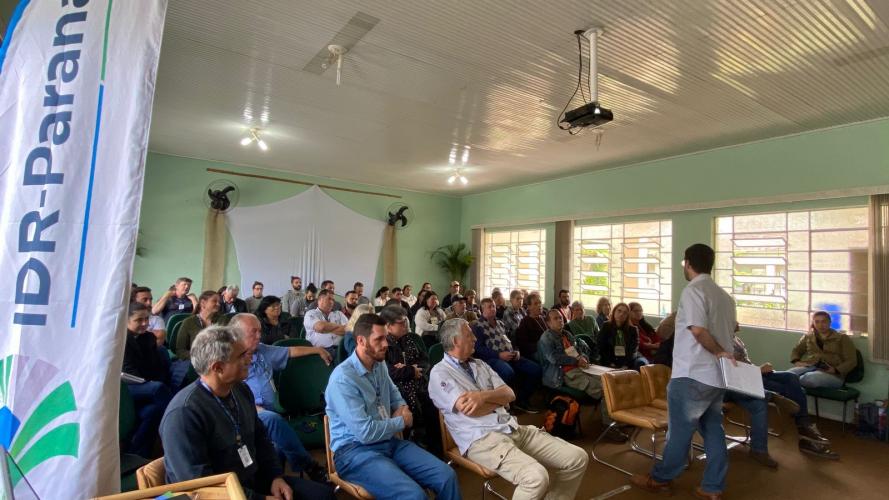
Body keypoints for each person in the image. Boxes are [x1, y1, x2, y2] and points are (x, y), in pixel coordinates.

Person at [160, 326, 335, 499]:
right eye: (242, 356)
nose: (250, 359)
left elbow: (261, 439)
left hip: (251, 481)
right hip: (220, 495)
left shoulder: (240, 390)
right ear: (218, 368)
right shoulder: (183, 414)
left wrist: (275, 477)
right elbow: (201, 487)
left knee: (323, 496)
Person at [430, 318, 589, 500]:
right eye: (469, 334)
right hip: (482, 440)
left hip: (512, 428)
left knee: (578, 458)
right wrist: (498, 400)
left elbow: (510, 394)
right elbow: (472, 410)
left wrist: (482, 397)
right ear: (455, 341)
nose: (475, 338)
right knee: (536, 478)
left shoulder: (480, 364)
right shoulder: (440, 373)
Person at [632, 244, 737, 500]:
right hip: (716, 378)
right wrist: (722, 352)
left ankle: (660, 479)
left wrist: (719, 351)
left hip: (692, 374)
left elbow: (698, 330)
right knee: (713, 429)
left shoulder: (693, 291)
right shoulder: (725, 297)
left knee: (679, 431)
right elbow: (733, 328)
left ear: (688, 263)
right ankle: (713, 487)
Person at [325, 313, 460, 500]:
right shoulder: (343, 379)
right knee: (414, 495)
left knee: (447, 476)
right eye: (379, 339)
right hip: (354, 452)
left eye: (385, 337)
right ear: (361, 341)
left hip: (387, 441)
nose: (386, 344)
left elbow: (396, 396)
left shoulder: (378, 365)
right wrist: (400, 421)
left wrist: (402, 408)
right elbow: (365, 432)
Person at [230, 313, 332, 481]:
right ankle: (309, 466)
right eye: (253, 331)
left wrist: (317, 349)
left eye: (260, 331)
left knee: (276, 446)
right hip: (246, 413)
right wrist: (253, 408)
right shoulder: (230, 362)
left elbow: (290, 351)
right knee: (272, 420)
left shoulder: (261, 350)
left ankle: (278, 482)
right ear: (237, 334)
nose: (259, 335)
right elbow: (230, 397)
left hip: (270, 413)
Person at [729, 334, 838, 461]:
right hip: (744, 380)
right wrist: (758, 370)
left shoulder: (736, 338)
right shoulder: (722, 341)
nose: (737, 324)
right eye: (734, 322)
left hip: (755, 374)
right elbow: (731, 372)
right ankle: (804, 430)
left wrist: (760, 369)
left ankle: (803, 423)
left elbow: (746, 363)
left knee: (791, 377)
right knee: (790, 389)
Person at [379, 306, 442, 455]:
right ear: (388, 326)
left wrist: (411, 369)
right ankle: (415, 445)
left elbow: (425, 360)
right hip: (397, 388)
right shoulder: (383, 344)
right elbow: (387, 371)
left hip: (420, 383)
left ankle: (436, 450)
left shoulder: (411, 339)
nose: (406, 325)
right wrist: (410, 370)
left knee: (434, 404)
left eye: (406, 321)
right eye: (401, 323)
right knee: (410, 404)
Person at [472, 298, 541, 412]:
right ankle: (505, 404)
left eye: (494, 306)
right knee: (507, 372)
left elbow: (510, 340)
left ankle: (521, 400)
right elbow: (479, 349)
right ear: (482, 309)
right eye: (489, 307)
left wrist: (516, 350)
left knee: (536, 369)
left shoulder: (500, 323)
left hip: (510, 355)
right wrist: (499, 355)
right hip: (492, 358)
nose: (493, 308)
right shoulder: (478, 326)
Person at [123, 302, 173, 457]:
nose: (145, 323)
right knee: (158, 389)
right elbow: (128, 372)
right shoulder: (121, 340)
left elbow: (155, 367)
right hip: (127, 386)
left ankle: (138, 454)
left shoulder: (148, 338)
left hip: (146, 385)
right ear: (126, 320)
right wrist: (149, 384)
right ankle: (176, 422)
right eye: (139, 320)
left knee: (152, 411)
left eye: (146, 319)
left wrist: (150, 382)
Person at [788, 311, 857, 389]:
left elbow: (851, 361)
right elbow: (796, 350)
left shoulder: (842, 338)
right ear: (813, 323)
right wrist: (796, 361)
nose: (820, 325)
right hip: (811, 367)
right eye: (817, 322)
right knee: (788, 375)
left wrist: (835, 370)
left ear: (829, 322)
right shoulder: (808, 337)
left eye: (824, 321)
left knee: (808, 379)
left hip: (834, 374)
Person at [598, 302, 647, 370]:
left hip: (628, 360)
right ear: (614, 312)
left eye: (625, 313)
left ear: (627, 316)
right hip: (609, 359)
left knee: (641, 363)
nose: (621, 314)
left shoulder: (633, 330)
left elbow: (633, 351)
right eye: (619, 311)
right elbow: (601, 347)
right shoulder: (606, 326)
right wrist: (610, 363)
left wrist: (625, 365)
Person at [175, 290, 221, 360]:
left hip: (217, 360)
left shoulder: (222, 321)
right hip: (195, 360)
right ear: (203, 303)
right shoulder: (189, 322)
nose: (218, 304)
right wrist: (198, 357)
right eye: (214, 301)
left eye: (219, 302)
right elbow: (180, 350)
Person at [304, 289, 349, 355]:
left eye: (333, 300)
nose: (332, 302)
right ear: (319, 300)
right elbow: (321, 327)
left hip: (341, 349)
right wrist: (341, 327)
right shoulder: (310, 313)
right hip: (319, 351)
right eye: (329, 299)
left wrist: (326, 329)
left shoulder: (339, 314)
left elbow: (349, 330)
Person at [514, 293, 547, 361]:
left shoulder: (544, 318)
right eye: (535, 303)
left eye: (540, 303)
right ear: (529, 307)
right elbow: (523, 345)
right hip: (534, 352)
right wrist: (541, 345)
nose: (539, 305)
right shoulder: (525, 322)